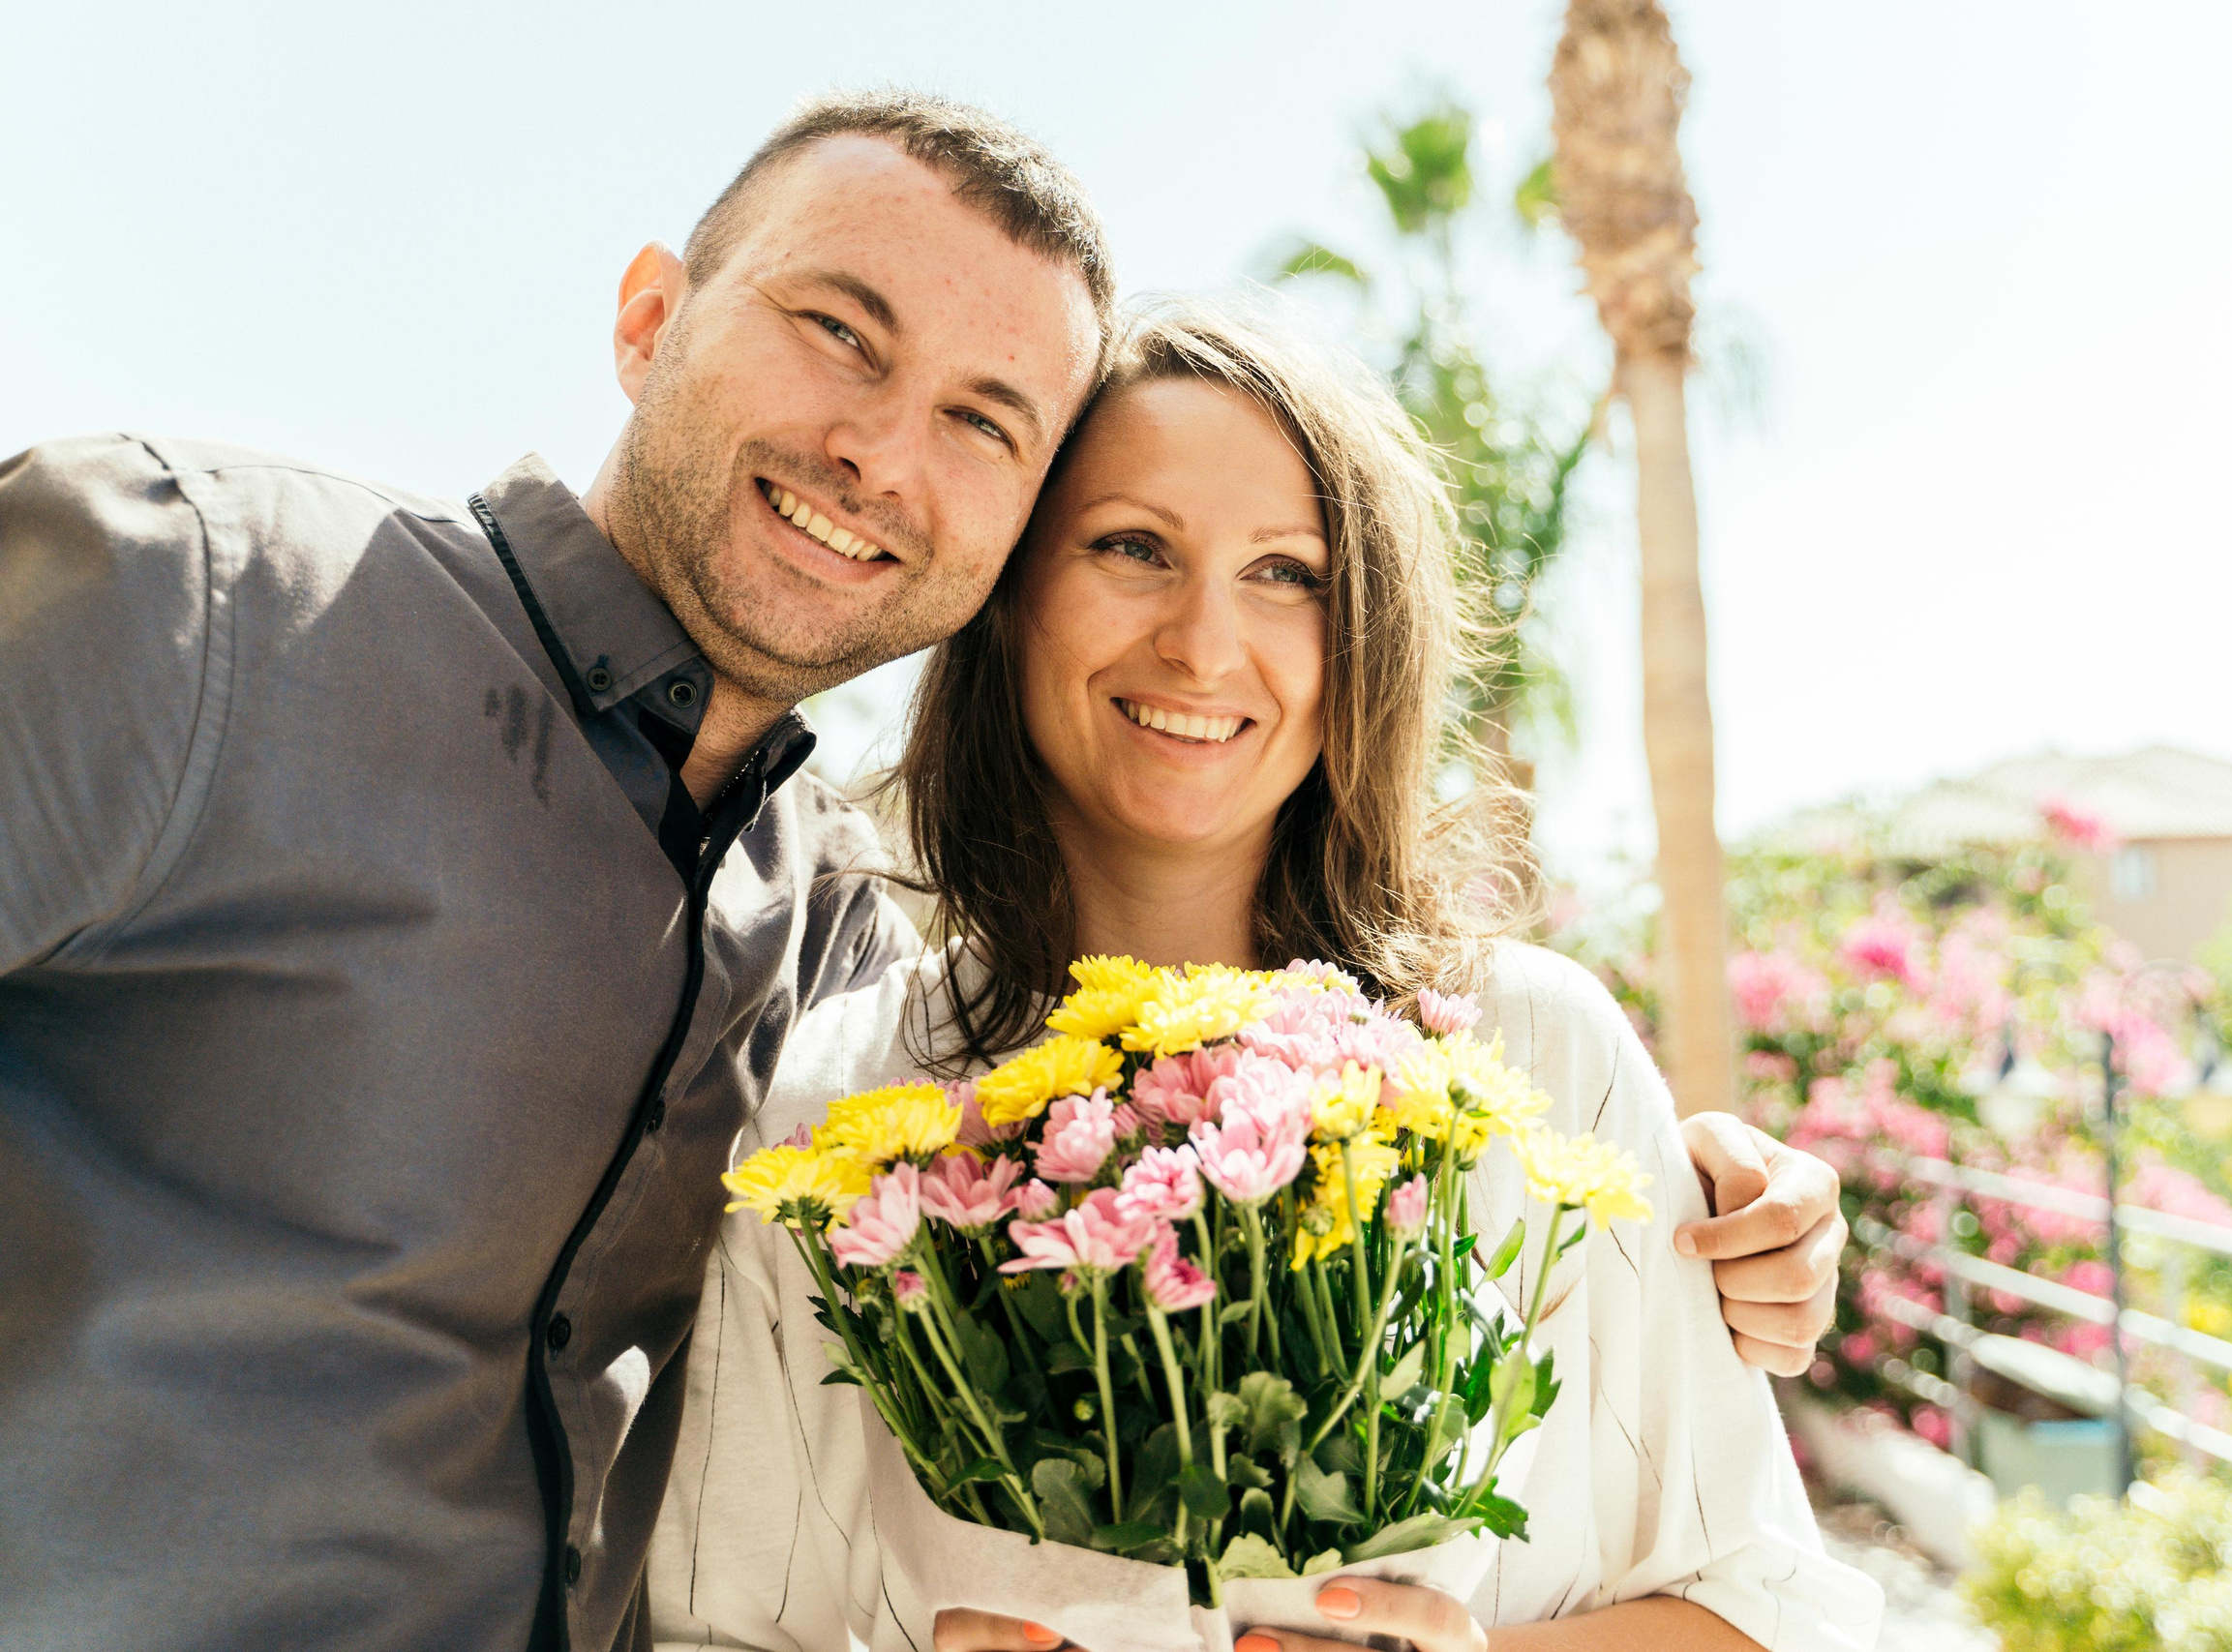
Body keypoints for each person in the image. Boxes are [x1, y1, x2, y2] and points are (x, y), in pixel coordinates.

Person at [0, 92, 1841, 1652]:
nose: (882, 453)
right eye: (840, 333)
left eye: (981, 418)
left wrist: (1718, 1202)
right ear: (649, 319)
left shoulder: (814, 944)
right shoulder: (199, 600)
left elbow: (1763, 1589)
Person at [648, 302, 1882, 1652]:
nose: (1203, 643)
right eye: (1131, 547)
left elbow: (1766, 1609)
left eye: (1287, 572)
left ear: (1364, 633)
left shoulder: (1535, 1061)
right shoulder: (831, 1116)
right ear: (1005, 600)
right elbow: (714, 1628)